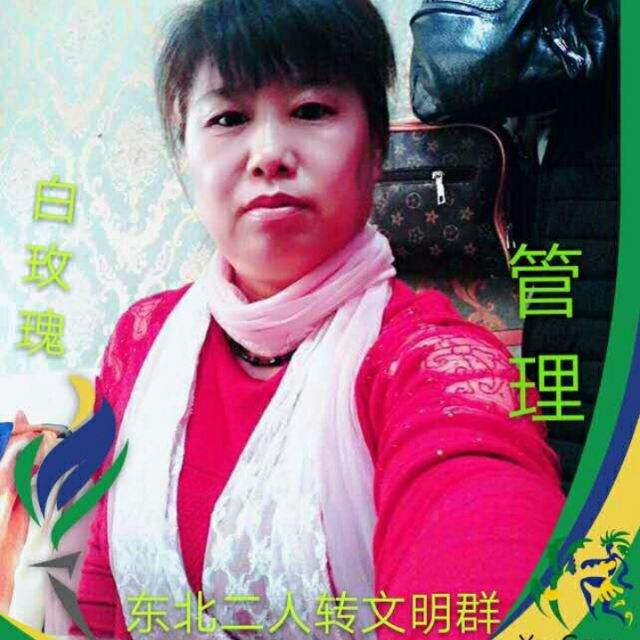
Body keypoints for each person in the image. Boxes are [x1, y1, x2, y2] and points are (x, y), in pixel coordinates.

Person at [64, 1, 564, 638]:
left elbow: (483, 525)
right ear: (187, 156)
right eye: (228, 118)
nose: (269, 154)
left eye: (311, 111)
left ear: (376, 151)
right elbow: (103, 581)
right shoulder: (141, 339)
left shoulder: (432, 363)